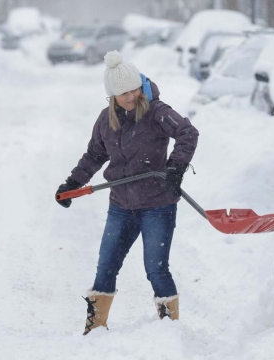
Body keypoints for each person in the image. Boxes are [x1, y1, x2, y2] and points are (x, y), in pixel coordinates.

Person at [55, 51, 199, 335]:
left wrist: (175, 170)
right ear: (111, 96)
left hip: (158, 203)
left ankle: (169, 332)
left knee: (156, 269)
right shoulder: (106, 120)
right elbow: (95, 155)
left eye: (134, 89)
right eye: (122, 93)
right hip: (121, 204)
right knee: (105, 267)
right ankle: (95, 329)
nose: (130, 96)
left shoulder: (157, 112)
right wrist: (72, 184)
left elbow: (187, 133)